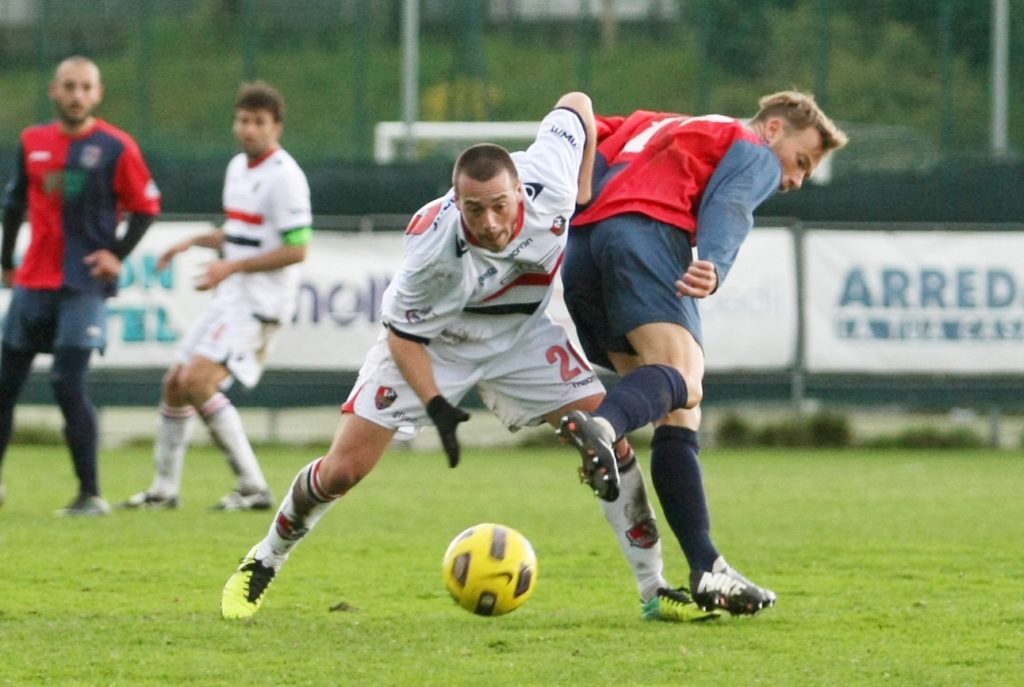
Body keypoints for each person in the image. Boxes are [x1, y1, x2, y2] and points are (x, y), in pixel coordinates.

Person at [220, 92, 716, 623]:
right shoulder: (431, 251)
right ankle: (264, 559)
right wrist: (436, 404)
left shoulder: (551, 179)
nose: (490, 221)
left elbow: (578, 104)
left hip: (521, 338)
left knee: (607, 441)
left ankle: (654, 590)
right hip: (440, 343)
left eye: (500, 205)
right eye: (474, 209)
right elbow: (403, 337)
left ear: (518, 193)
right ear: (456, 203)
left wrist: (586, 189)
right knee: (343, 471)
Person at [559, 91, 849, 615]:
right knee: (684, 378)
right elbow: (732, 202)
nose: (796, 180)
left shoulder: (655, 119)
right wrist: (715, 261)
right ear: (775, 128)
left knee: (676, 408)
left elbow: (584, 127)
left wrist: (580, 194)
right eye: (801, 162)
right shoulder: (752, 145)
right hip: (644, 234)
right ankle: (602, 427)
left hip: (580, 254)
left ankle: (704, 569)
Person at [119, 81, 312, 512]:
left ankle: (254, 488)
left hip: (262, 305)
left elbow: (297, 248)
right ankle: (164, 491)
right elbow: (241, 233)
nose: (249, 129)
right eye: (243, 120)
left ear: (276, 127)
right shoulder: (238, 169)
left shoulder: (286, 177)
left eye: (259, 122)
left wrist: (232, 267)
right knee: (174, 384)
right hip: (233, 298)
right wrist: (191, 242)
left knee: (197, 382)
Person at [0, 56, 161, 516]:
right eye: (68, 86)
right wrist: (5, 260)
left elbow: (147, 206)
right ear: (54, 91)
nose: (76, 95)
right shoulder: (32, 141)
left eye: (85, 87)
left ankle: (89, 494)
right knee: (5, 385)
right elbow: (13, 205)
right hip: (33, 281)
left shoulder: (116, 147)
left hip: (83, 285)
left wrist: (117, 253)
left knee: (67, 382)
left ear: (97, 94)